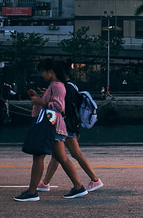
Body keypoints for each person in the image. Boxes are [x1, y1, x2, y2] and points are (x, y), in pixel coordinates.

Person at [14, 59, 88, 202]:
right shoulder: (54, 86)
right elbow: (51, 104)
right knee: (61, 157)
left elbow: (59, 106)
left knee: (38, 155)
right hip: (56, 126)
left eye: (43, 71)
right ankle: (78, 187)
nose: (42, 74)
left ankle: (32, 192)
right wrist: (37, 97)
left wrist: (40, 102)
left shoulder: (57, 86)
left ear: (51, 72)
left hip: (52, 126)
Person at [37, 61, 103, 194]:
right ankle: (45, 183)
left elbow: (68, 110)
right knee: (58, 156)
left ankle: (95, 180)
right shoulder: (70, 86)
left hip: (67, 126)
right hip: (69, 126)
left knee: (74, 154)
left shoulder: (66, 87)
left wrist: (74, 129)